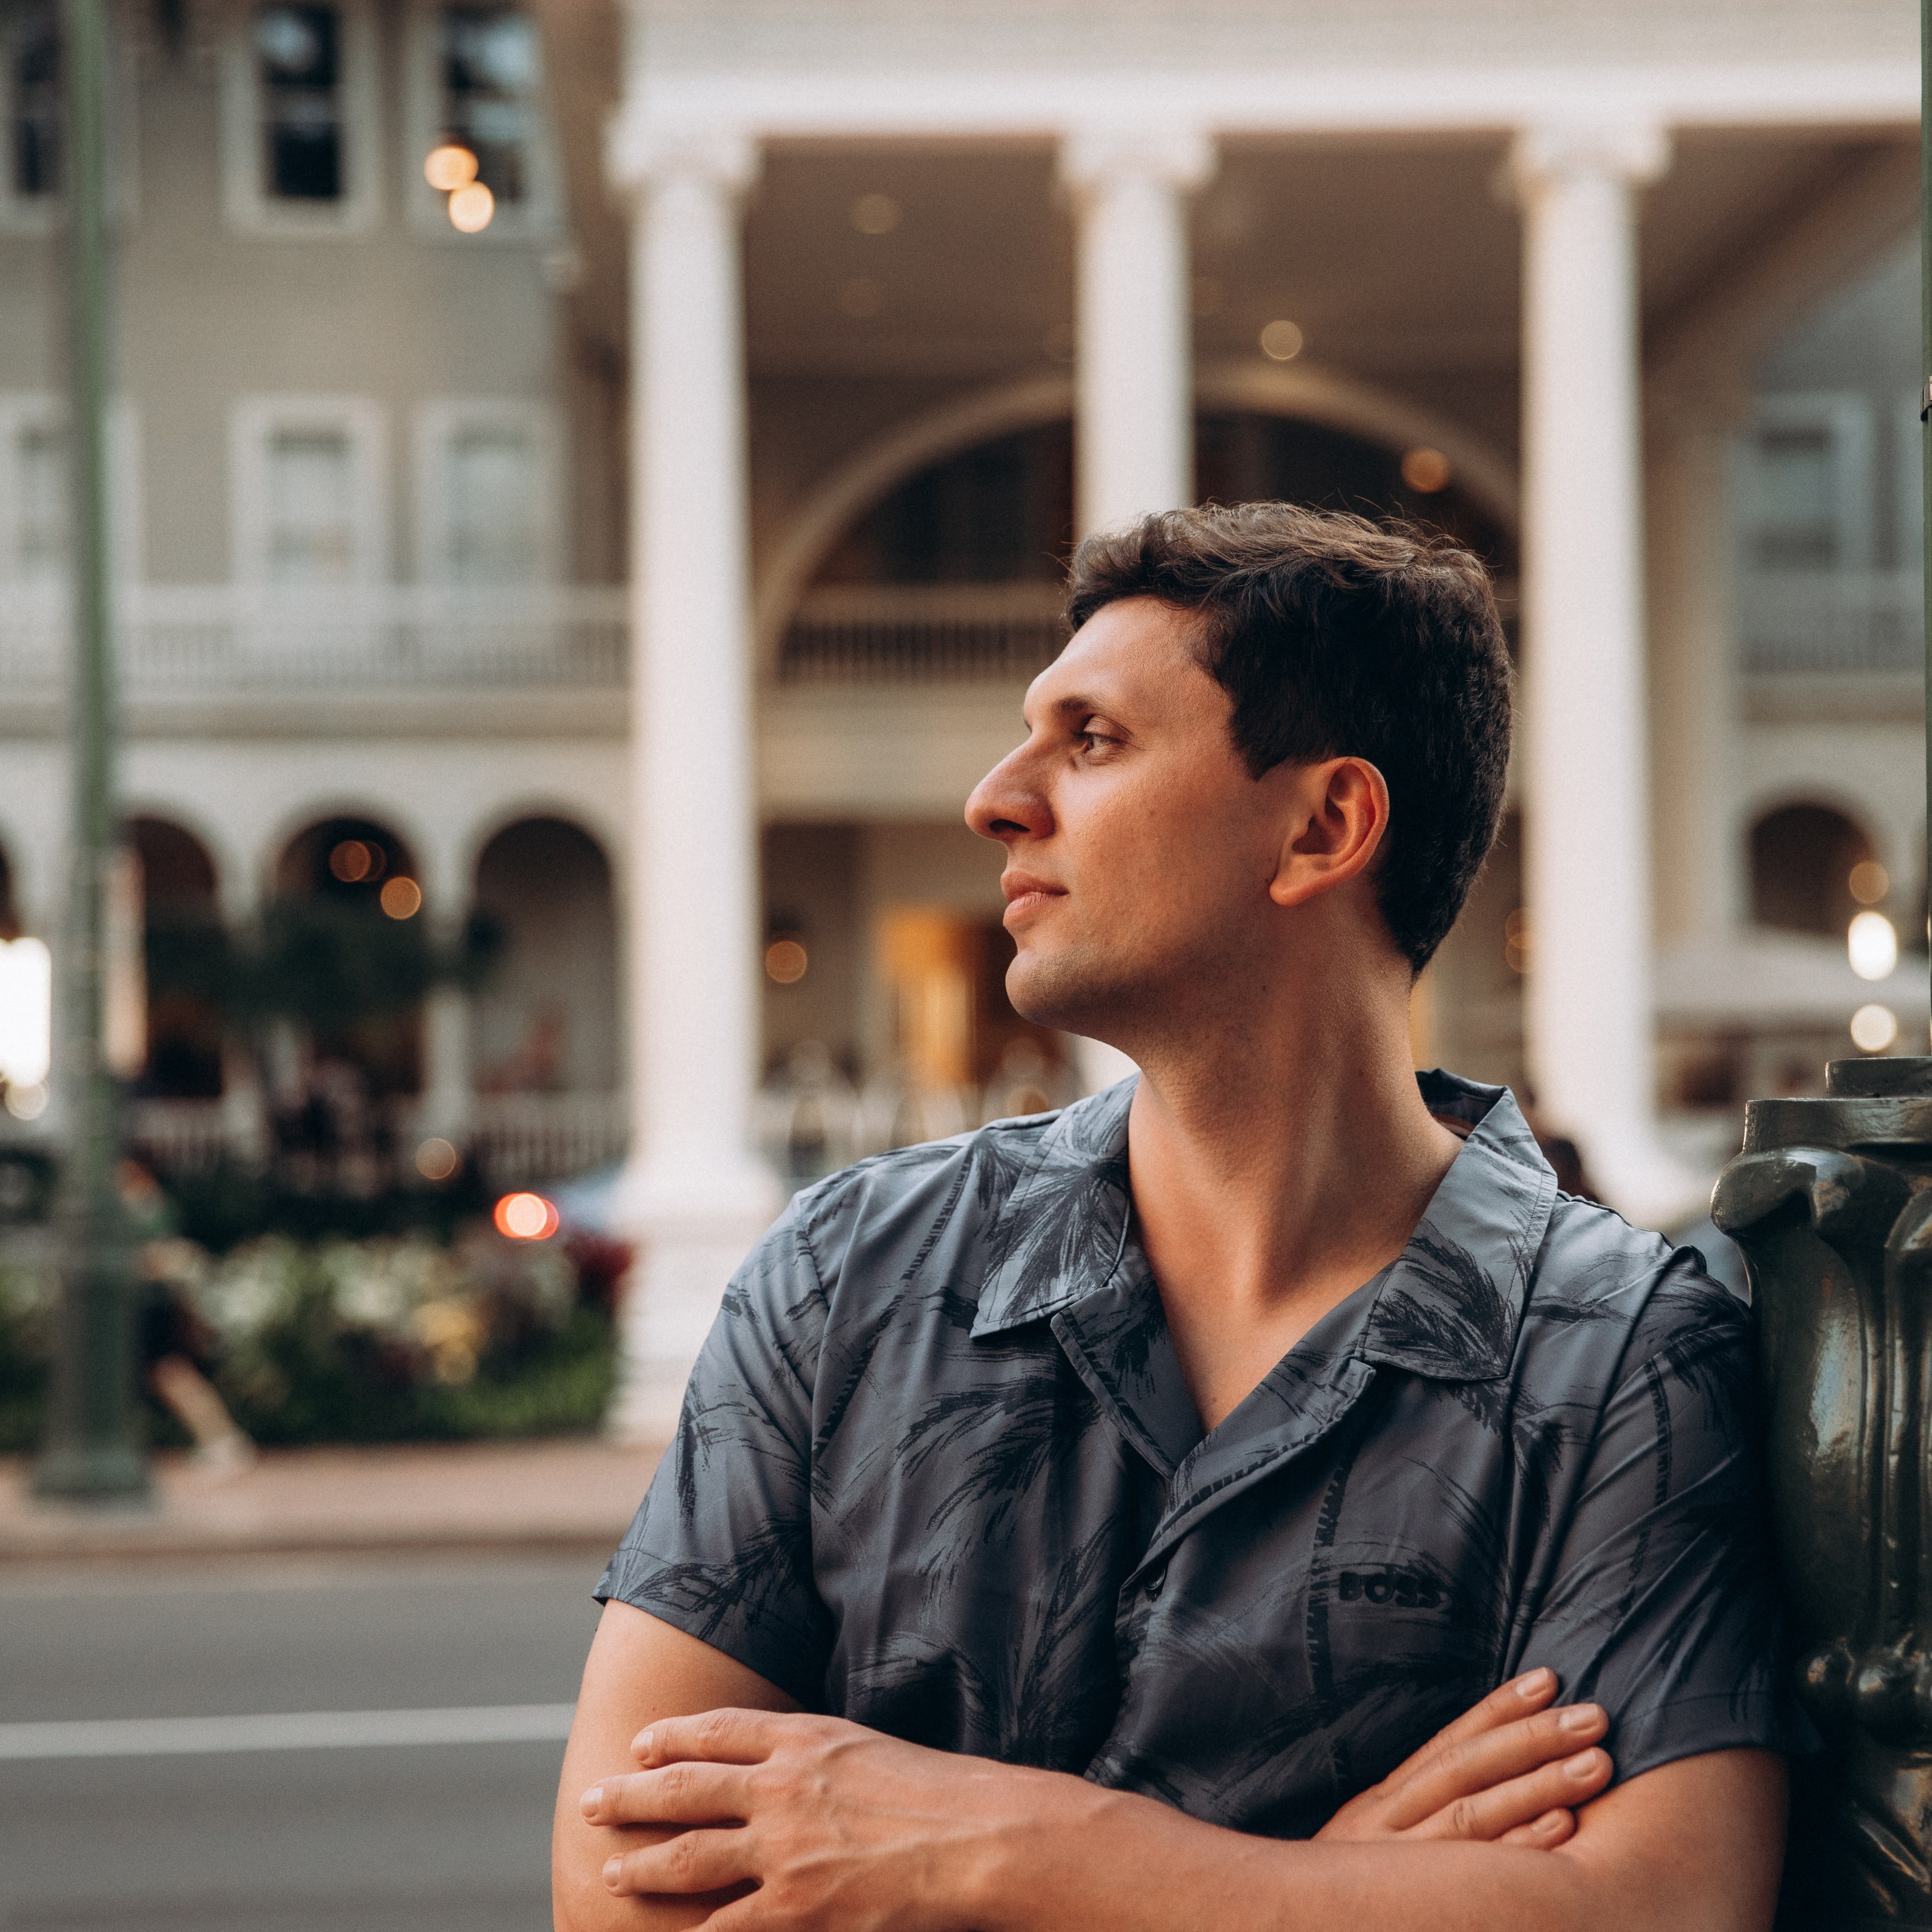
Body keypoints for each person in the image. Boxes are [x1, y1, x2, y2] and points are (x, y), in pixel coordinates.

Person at [554, 505, 1797, 1931]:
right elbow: (621, 1899)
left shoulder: (1624, 1357)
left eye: (1091, 741)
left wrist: (995, 1853)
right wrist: (1329, 1887)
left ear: (1324, 824)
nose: (997, 798)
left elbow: (1667, 1913)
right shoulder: (846, 1278)